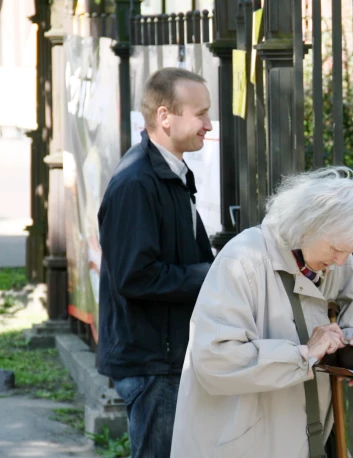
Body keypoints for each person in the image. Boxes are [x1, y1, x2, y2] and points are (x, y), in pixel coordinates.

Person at [170, 166, 353, 458]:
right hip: (244, 445)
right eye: (336, 248)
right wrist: (304, 354)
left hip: (307, 438)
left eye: (351, 251)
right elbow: (213, 360)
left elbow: (349, 323)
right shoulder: (244, 260)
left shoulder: (339, 266)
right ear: (309, 224)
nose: (342, 260)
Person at [96, 67, 215, 458]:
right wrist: (211, 276)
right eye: (200, 114)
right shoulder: (137, 182)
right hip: (153, 362)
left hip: (164, 357)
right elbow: (137, 276)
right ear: (165, 116)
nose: (208, 124)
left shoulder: (166, 173)